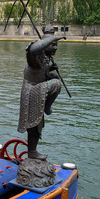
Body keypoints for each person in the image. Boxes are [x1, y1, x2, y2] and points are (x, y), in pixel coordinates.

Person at [17, 25, 64, 160]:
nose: (55, 47)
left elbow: (40, 74)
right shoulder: (35, 56)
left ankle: (33, 151)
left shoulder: (45, 57)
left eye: (56, 45)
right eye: (53, 44)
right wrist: (52, 38)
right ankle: (48, 107)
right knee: (56, 84)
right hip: (32, 91)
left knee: (38, 123)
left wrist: (50, 70)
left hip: (38, 90)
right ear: (45, 44)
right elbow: (33, 48)